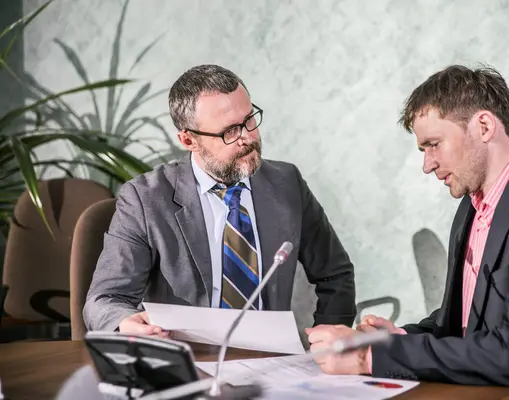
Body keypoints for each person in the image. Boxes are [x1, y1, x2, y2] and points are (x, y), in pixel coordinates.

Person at [306, 65, 509, 398]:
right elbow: (463, 324)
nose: (427, 164)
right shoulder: (472, 203)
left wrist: (369, 356)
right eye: (423, 150)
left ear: (484, 126)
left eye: (434, 144)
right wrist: (397, 339)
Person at [84, 64, 356, 335]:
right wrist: (126, 323)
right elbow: (105, 299)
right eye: (229, 131)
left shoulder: (287, 184)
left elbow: (335, 274)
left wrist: (331, 340)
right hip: (188, 358)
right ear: (188, 140)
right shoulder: (145, 199)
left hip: (272, 357)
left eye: (249, 119)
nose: (248, 138)